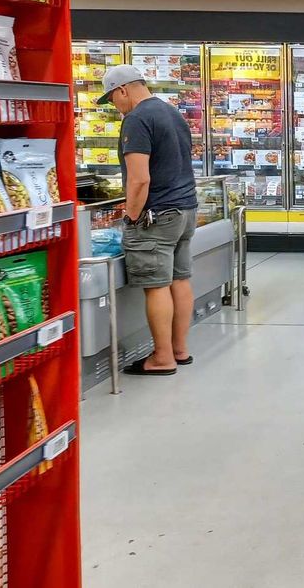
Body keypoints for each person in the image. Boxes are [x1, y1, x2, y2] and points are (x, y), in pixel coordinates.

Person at [100, 64, 198, 376]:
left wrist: (130, 216)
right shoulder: (171, 112)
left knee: (156, 286)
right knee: (180, 280)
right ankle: (180, 349)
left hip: (156, 215)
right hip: (185, 210)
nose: (115, 106)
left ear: (122, 90)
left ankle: (162, 357)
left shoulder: (137, 119)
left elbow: (139, 179)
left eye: (112, 99)